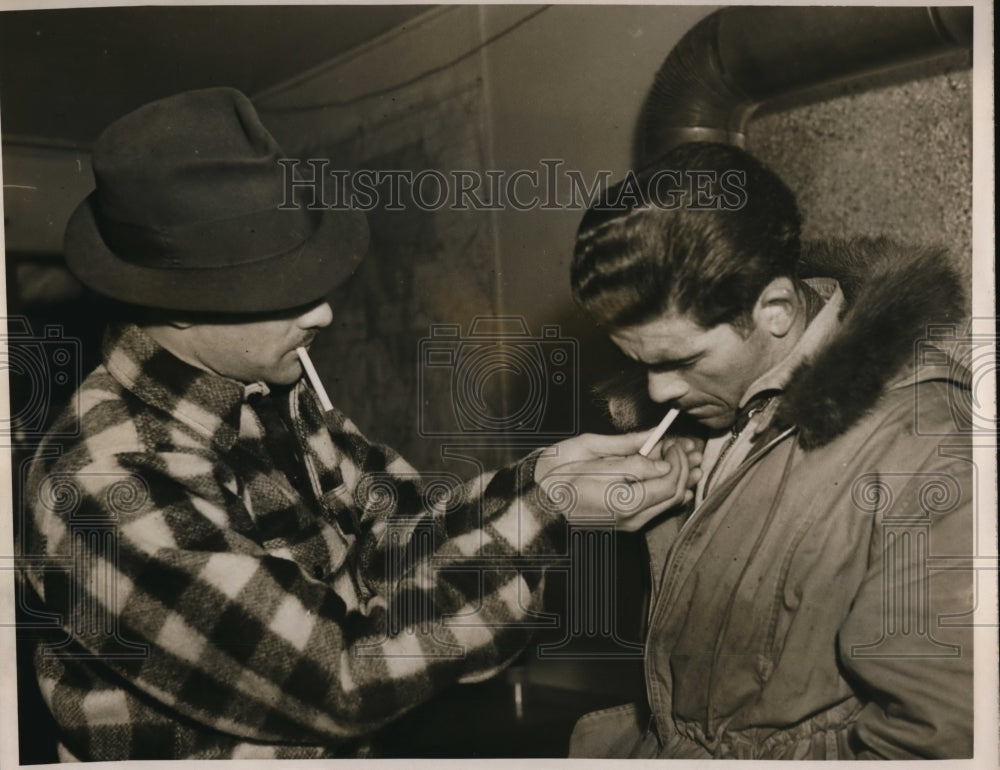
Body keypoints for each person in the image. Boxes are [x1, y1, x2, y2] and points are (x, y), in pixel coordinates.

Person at [18, 87, 701, 760]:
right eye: (282, 292)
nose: (323, 315)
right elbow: (339, 678)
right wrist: (544, 517)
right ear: (177, 307)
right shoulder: (99, 486)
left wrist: (544, 480)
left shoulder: (267, 392)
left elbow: (397, 529)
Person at [567, 142, 974, 759]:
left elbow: (934, 743)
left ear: (777, 310)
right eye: (639, 362)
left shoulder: (924, 450)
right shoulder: (708, 414)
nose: (656, 390)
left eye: (679, 360)